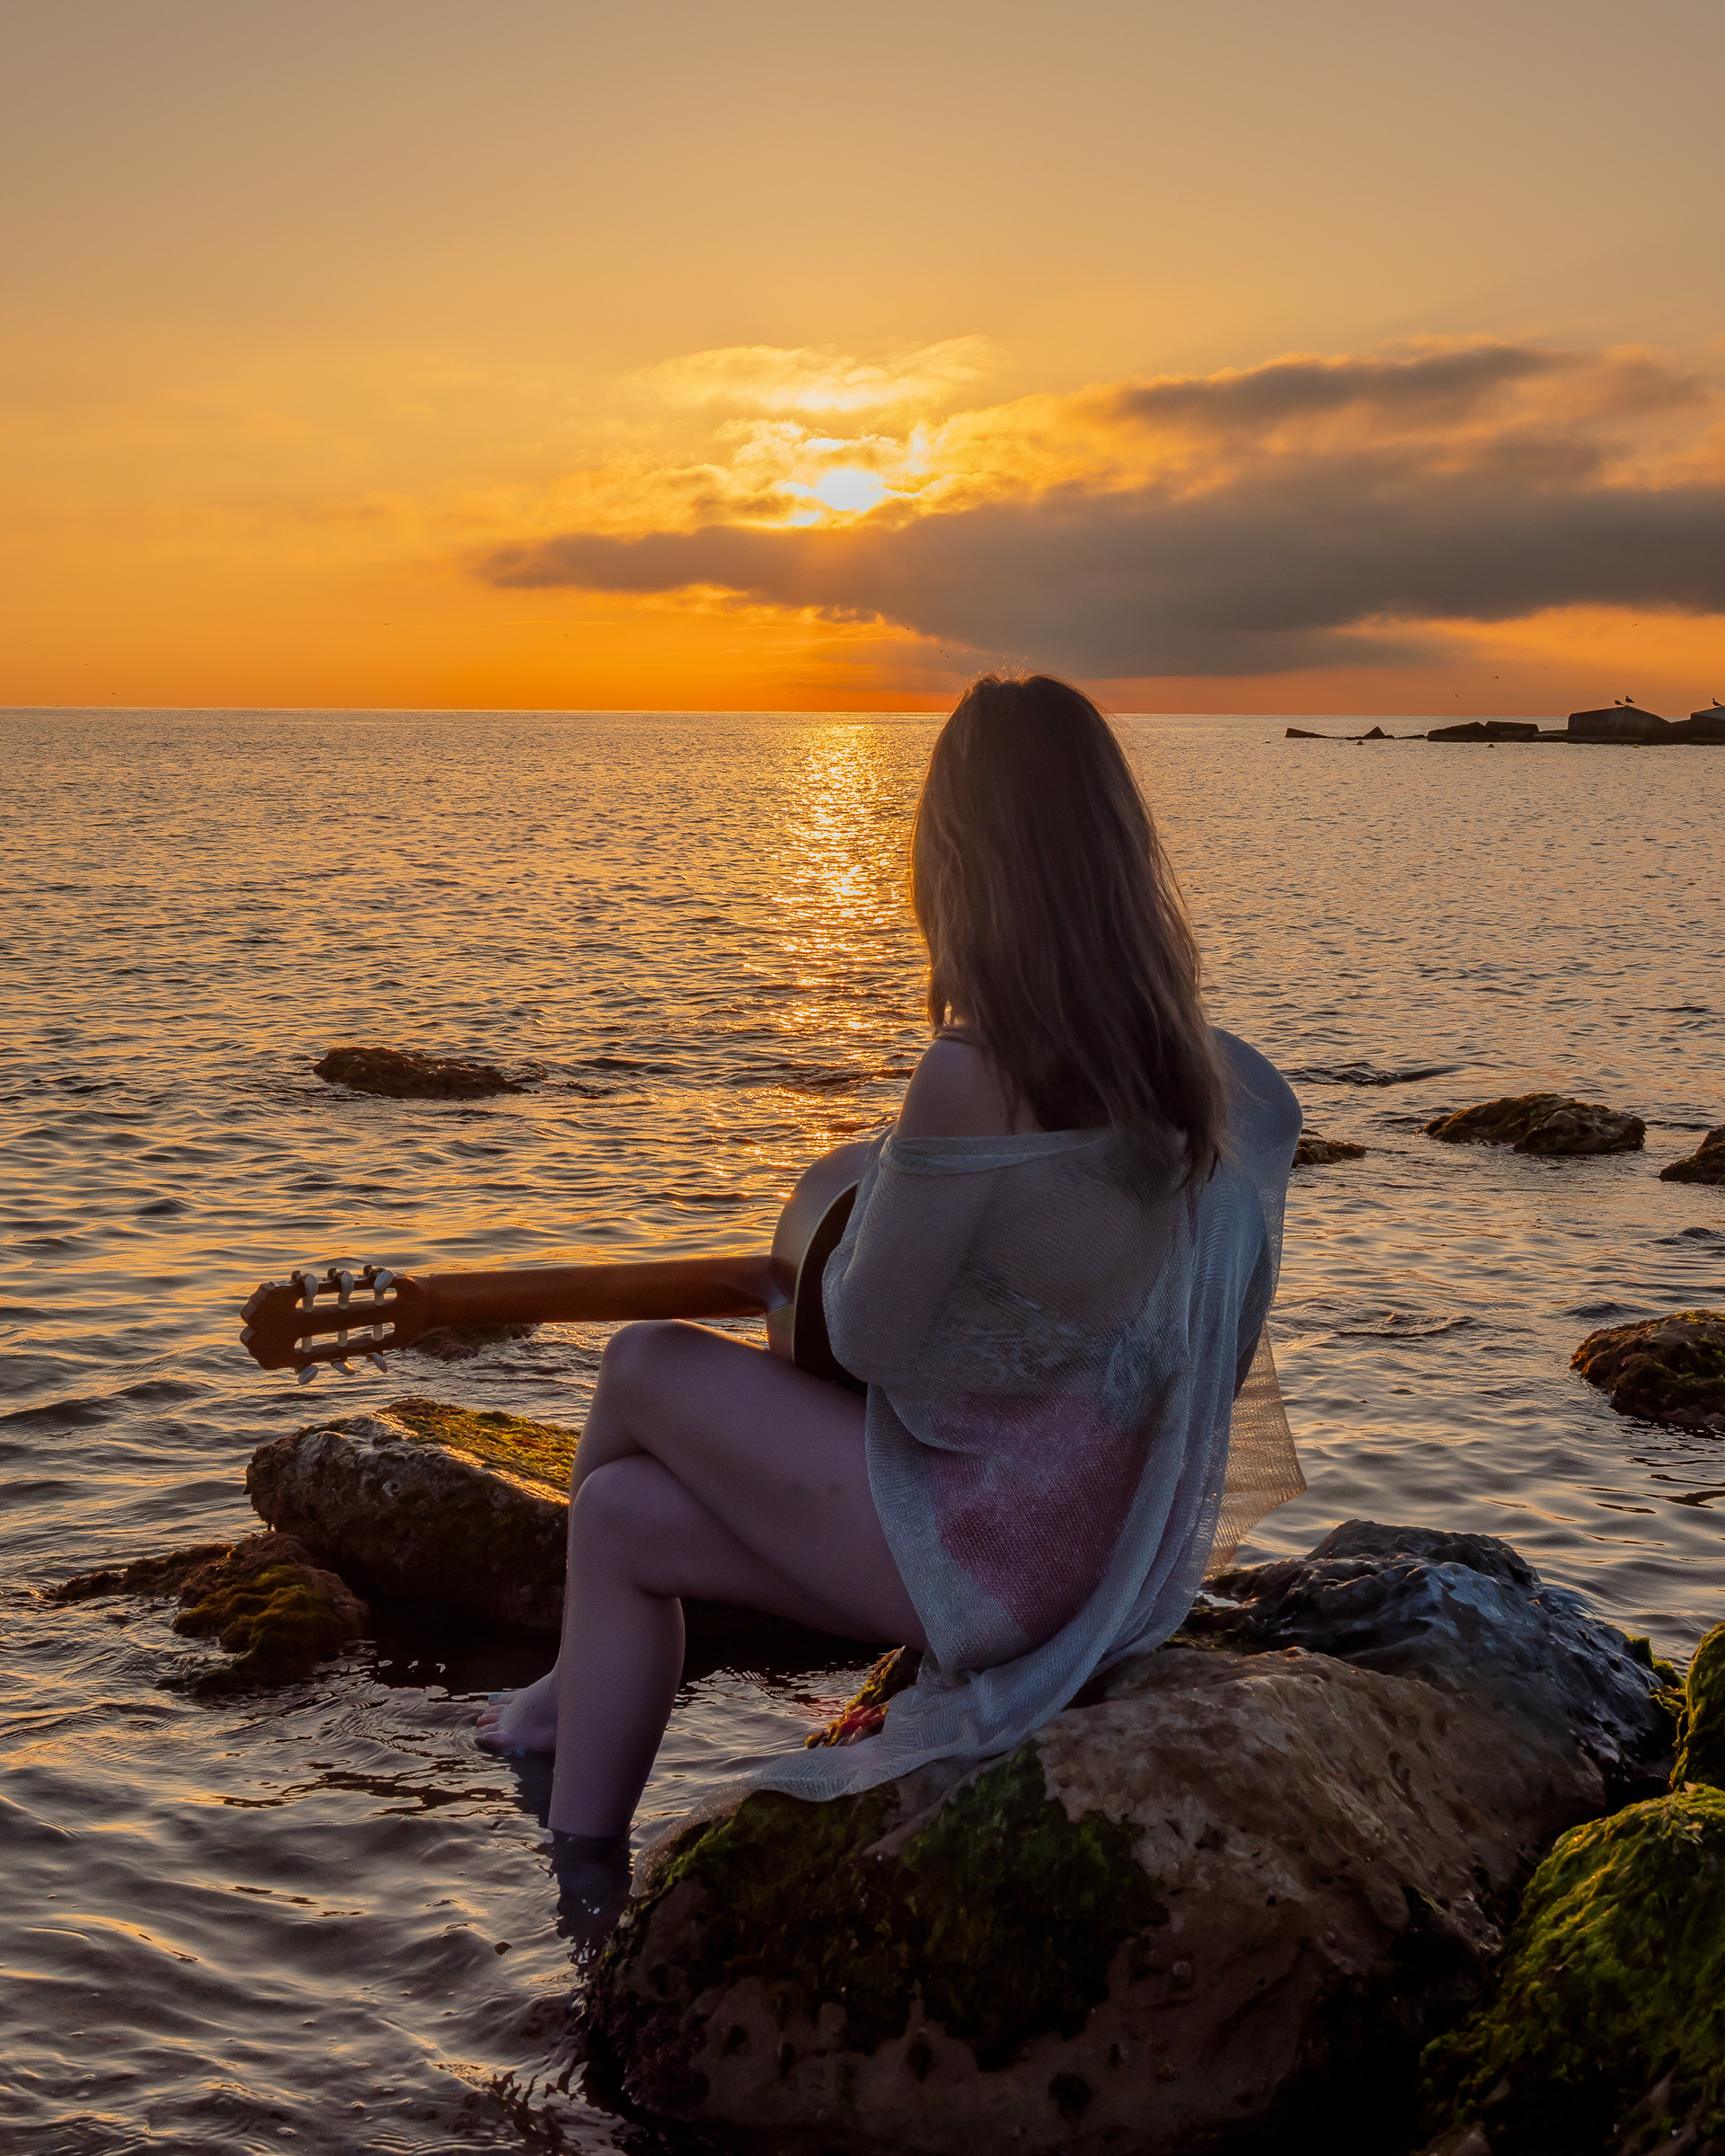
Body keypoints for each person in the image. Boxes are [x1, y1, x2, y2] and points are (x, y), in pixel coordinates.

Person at [477, 674, 1303, 1914]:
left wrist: (882, 1197)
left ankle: (563, 1749)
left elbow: (868, 1336)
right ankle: (584, 1875)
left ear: (961, 864)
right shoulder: (1226, 1084)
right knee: (623, 1524)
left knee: (645, 1364)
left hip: (989, 1564)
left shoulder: (973, 1077)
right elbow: (1197, 1334)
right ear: (1119, 854)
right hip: (1103, 1559)